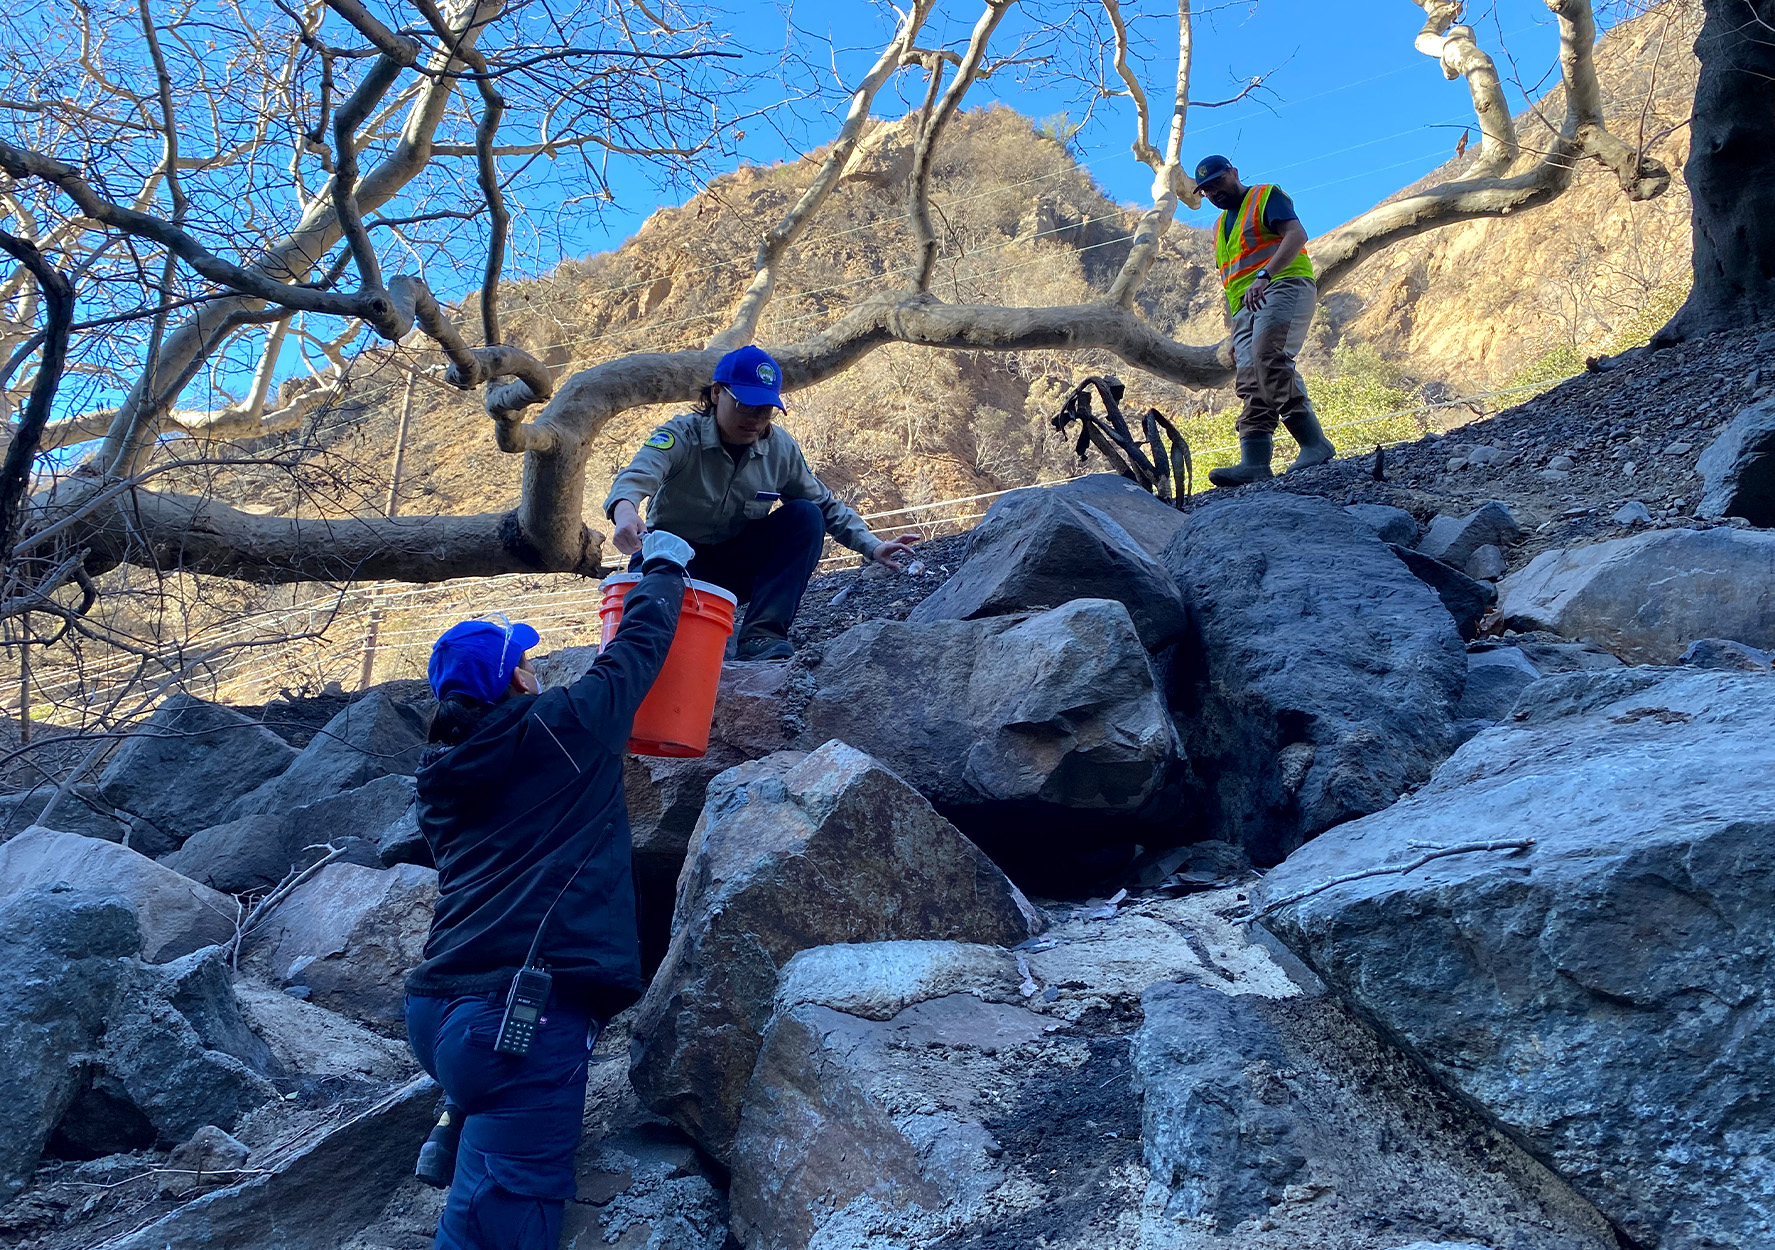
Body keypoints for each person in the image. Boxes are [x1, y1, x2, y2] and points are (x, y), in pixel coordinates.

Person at [402, 529, 693, 1250]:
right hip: (515, 1022)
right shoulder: (561, 727)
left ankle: (463, 1112)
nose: (533, 668)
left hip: (436, 1012)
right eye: (523, 661)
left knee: (484, 1188)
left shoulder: (438, 781)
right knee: (503, 1230)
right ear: (515, 681)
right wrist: (660, 568)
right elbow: (633, 656)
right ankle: (476, 1118)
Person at [603, 344, 919, 661]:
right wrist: (627, 512)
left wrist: (872, 546)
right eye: (745, 405)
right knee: (657, 642)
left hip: (735, 563)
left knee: (805, 516)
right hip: (672, 563)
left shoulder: (780, 449)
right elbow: (636, 476)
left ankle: (762, 637)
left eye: (765, 409)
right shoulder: (681, 435)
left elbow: (824, 504)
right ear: (716, 394)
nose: (755, 419)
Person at [1194, 154, 1338, 487]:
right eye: (1206, 189)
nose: (1214, 192)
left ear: (1234, 173)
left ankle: (1314, 443)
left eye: (1218, 182)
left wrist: (1265, 275)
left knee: (1268, 357)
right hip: (1245, 307)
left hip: (1283, 284)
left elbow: (1296, 235)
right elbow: (1232, 283)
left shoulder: (1264, 196)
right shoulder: (1218, 228)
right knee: (1249, 376)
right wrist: (1233, 333)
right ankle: (1255, 462)